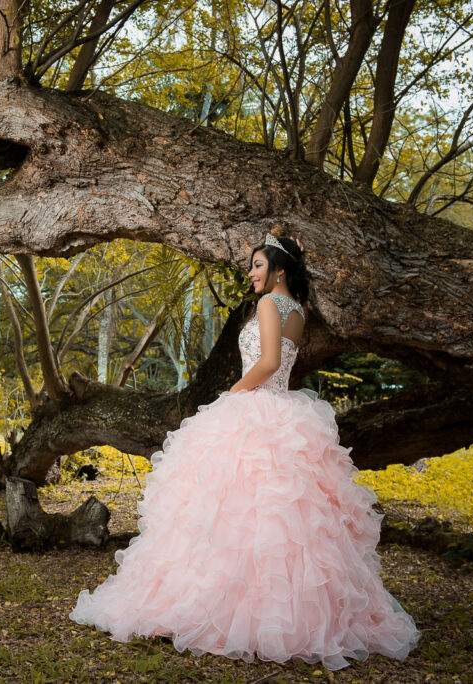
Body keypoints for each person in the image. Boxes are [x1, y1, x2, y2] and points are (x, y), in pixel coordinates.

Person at [69, 235, 420, 671]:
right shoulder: (298, 310)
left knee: (234, 512)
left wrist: (230, 395)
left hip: (257, 407)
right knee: (280, 521)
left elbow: (269, 362)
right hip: (284, 411)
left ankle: (230, 611)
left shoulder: (270, 306)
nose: (251, 273)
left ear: (279, 269)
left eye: (257, 265)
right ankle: (282, 614)